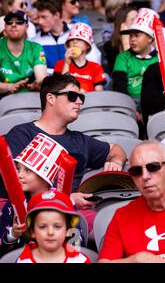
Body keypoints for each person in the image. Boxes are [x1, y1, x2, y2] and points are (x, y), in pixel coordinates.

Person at [2, 74, 127, 206]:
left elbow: (115, 149)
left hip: (72, 218)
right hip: (32, 215)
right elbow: (14, 184)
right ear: (51, 98)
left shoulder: (80, 141)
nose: (79, 102)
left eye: (81, 98)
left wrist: (117, 161)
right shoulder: (21, 135)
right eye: (72, 96)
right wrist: (68, 199)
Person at [32, 0, 102, 72]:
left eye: (44, 17)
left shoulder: (78, 31)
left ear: (57, 15)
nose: (40, 22)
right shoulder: (34, 41)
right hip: (50, 82)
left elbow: (94, 59)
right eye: (38, 17)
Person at [17, 191, 91, 263]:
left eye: (57, 226)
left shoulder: (80, 260)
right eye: (43, 227)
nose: (50, 232)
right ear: (32, 231)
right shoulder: (24, 260)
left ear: (68, 230)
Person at [112, 8, 158, 106]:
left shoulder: (159, 58)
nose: (132, 39)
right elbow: (120, 87)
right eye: (131, 36)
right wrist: (129, 107)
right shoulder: (122, 57)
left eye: (137, 35)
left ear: (150, 38)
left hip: (153, 101)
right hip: (128, 101)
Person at [0, 10, 47, 98]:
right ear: (5, 26)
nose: (13, 25)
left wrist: (38, 84)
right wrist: (9, 87)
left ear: (27, 26)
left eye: (19, 22)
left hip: (31, 97)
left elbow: (41, 77)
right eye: (9, 22)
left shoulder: (36, 48)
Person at [53, 23, 106, 93]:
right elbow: (57, 89)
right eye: (72, 40)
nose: (75, 41)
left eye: (79, 39)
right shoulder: (60, 64)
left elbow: (100, 94)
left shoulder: (95, 67)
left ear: (87, 45)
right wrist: (66, 64)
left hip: (90, 102)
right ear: (68, 44)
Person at [102, 6, 138, 75]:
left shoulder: (142, 41)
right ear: (122, 23)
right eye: (133, 19)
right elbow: (125, 71)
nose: (137, 22)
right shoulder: (110, 46)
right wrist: (125, 40)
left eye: (138, 18)